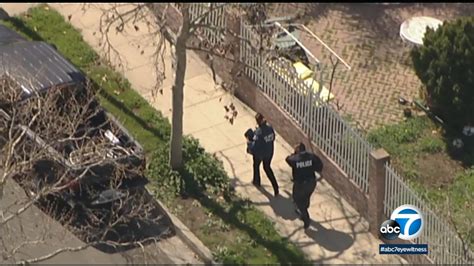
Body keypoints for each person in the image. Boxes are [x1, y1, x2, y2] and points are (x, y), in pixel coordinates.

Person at [285, 142, 323, 229]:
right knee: (306, 197)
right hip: (311, 182)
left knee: (297, 200)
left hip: (300, 184)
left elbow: (288, 159)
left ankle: (306, 218)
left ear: (298, 150)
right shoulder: (312, 156)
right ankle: (304, 210)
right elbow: (320, 166)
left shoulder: (295, 159)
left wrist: (294, 153)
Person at [246, 113, 279, 196]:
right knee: (267, 168)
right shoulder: (270, 128)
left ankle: (256, 181)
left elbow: (255, 145)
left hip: (260, 153)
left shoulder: (259, 132)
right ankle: (275, 187)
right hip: (269, 152)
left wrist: (249, 143)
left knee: (256, 165)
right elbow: (273, 137)